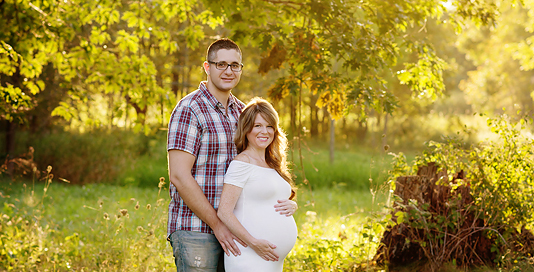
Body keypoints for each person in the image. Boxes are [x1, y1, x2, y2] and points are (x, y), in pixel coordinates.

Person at [166, 38, 297, 272]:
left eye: (235, 65)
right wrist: (217, 223)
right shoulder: (190, 109)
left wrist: (286, 203)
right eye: (221, 65)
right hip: (197, 229)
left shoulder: (242, 112)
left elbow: (259, 168)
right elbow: (179, 175)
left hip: (237, 233)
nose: (229, 71)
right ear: (207, 67)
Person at [218, 97, 298, 272]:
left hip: (272, 261)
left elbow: (271, 198)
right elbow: (224, 211)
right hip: (249, 255)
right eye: (258, 126)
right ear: (246, 129)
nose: (265, 131)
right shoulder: (241, 163)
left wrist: (292, 205)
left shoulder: (272, 163)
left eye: (269, 126)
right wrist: (253, 243)